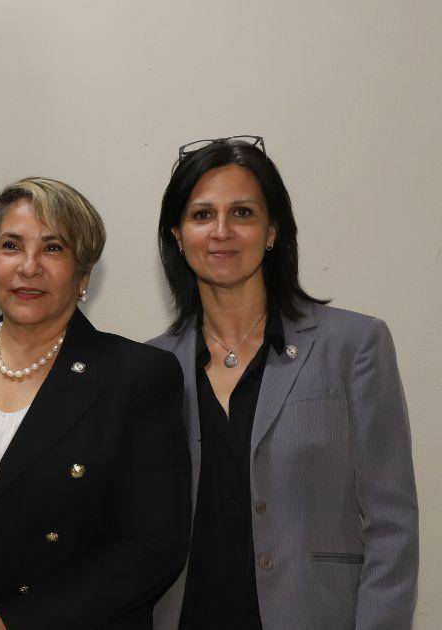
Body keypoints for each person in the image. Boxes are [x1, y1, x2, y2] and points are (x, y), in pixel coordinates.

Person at [0, 177, 190, 629]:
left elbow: (152, 546)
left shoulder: (137, 376)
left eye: (53, 248)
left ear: (83, 274)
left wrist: (19, 621)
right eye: (11, 246)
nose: (29, 267)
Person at [149, 136, 418, 630]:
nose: (222, 231)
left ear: (272, 230)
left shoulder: (354, 345)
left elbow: (392, 526)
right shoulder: (151, 367)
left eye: (243, 213)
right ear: (178, 235)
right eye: (202, 215)